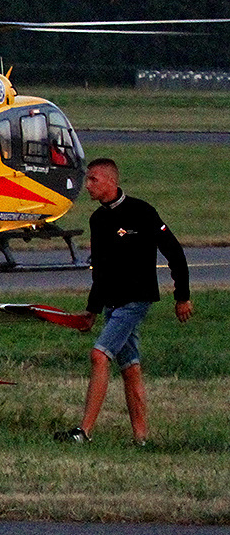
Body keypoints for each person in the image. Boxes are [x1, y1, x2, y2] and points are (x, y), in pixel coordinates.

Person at [55, 158, 191, 445]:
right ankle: (141, 439)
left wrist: (182, 296)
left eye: (93, 180)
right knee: (130, 369)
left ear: (111, 182)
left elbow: (175, 252)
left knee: (99, 355)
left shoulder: (142, 212)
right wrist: (92, 311)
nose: (87, 185)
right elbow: (100, 272)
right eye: (87, 179)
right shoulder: (98, 219)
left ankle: (84, 432)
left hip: (137, 299)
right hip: (111, 304)